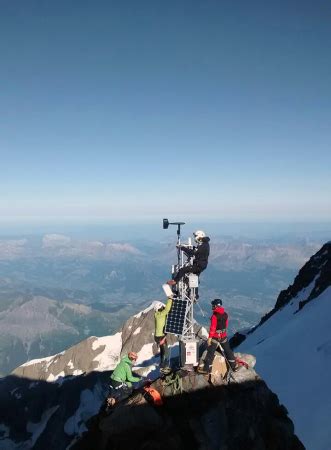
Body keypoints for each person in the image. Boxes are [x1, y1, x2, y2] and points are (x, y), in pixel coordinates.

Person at [197, 298, 237, 374]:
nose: (212, 306)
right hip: (223, 335)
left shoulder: (214, 316)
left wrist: (209, 338)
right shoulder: (225, 314)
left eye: (213, 305)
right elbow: (226, 324)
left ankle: (206, 369)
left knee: (210, 352)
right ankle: (233, 366)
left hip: (215, 336)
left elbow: (212, 328)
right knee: (228, 350)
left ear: (216, 306)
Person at [154, 298, 173, 373]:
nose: (163, 308)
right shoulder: (161, 315)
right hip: (160, 337)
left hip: (158, 336)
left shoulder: (157, 314)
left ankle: (163, 365)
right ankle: (164, 367)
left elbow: (166, 310)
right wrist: (170, 299)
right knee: (165, 352)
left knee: (163, 352)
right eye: (161, 307)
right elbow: (167, 309)